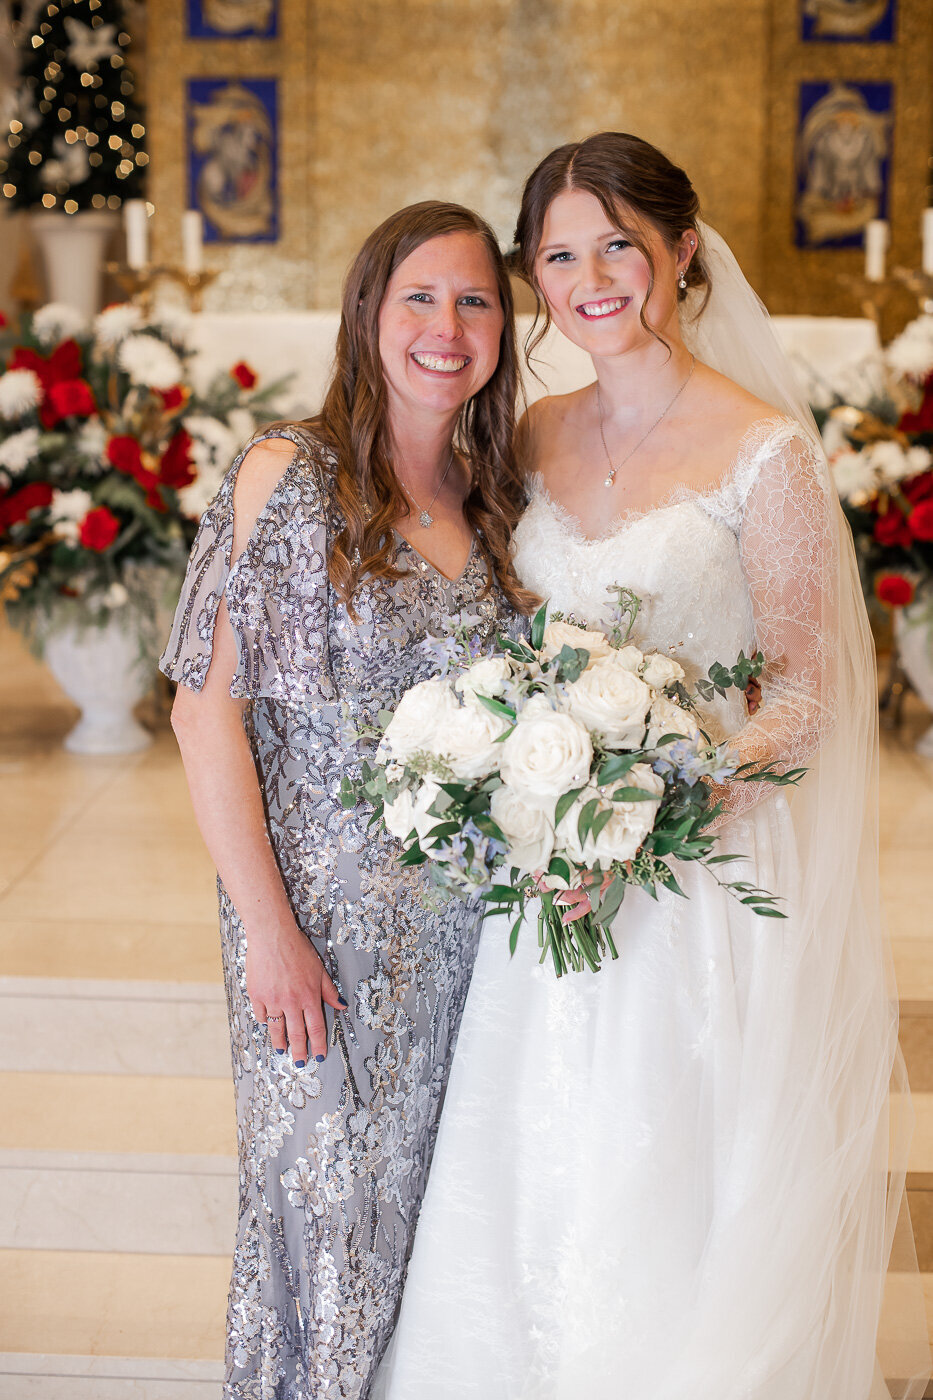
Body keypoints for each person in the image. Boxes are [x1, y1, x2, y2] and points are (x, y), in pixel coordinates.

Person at [374, 134, 929, 1400]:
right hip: (549, 870)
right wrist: (518, 777)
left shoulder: (763, 450)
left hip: (691, 877)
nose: (592, 276)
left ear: (681, 249)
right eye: (560, 253)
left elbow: (806, 688)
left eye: (619, 241)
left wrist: (662, 794)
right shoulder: (523, 436)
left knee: (661, 1164)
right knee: (534, 1160)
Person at [161, 199, 533, 1400]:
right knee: (322, 1224)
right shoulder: (289, 473)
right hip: (312, 936)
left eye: (475, 299)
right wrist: (270, 931)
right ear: (368, 312)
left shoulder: (495, 505)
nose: (447, 325)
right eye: (418, 296)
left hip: (463, 948)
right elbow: (202, 708)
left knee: (427, 1241)